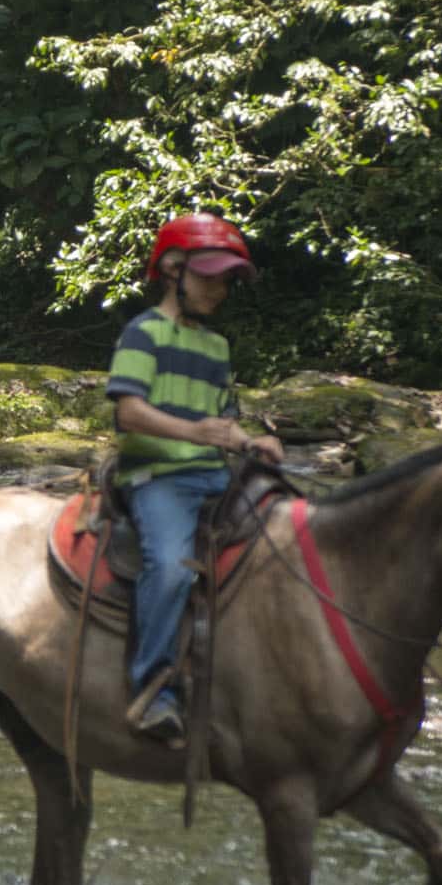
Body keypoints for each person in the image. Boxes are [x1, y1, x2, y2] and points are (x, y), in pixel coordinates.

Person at [105, 211, 280, 745]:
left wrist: (250, 441)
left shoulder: (217, 347)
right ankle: (153, 690)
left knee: (290, 545)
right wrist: (197, 433)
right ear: (173, 271)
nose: (219, 288)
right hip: (157, 477)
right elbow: (128, 414)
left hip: (215, 476)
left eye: (227, 279)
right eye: (209, 276)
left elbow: (220, 424)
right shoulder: (143, 333)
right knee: (173, 568)